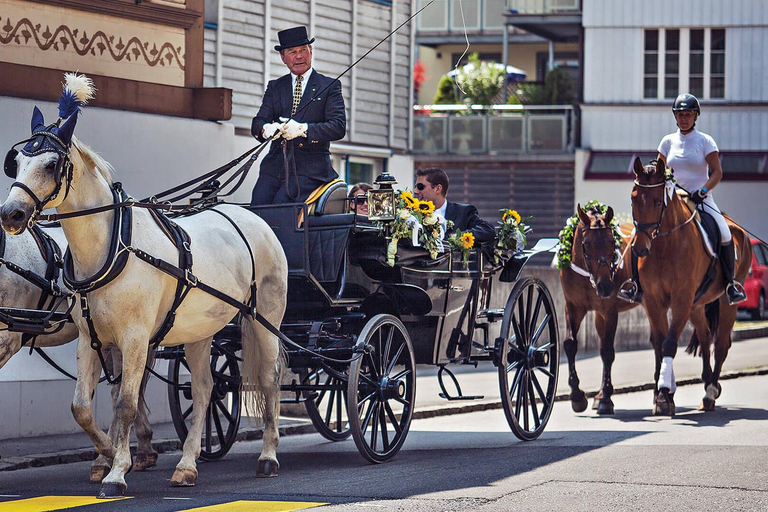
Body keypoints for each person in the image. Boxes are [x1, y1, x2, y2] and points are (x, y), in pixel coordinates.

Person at [620, 93, 746, 305]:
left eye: (688, 114)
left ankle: (730, 284)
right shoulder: (667, 142)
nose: (684, 118)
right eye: (680, 115)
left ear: (695, 116)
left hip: (700, 198)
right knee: (637, 232)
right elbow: (659, 171)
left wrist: (704, 190)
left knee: (724, 232)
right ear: (675, 117)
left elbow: (717, 172)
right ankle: (634, 283)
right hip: (673, 197)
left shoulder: (705, 141)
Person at [250, 26, 346, 205]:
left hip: (310, 169)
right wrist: (266, 129)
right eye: (292, 52)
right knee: (258, 203)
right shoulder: (275, 86)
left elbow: (338, 127)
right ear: (283, 57)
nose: (299, 56)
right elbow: (258, 122)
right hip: (275, 166)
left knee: (281, 206)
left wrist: (303, 129)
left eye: (303, 50)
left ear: (311, 51)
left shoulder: (330, 86)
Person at [412, 168, 495, 245]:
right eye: (415, 187)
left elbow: (488, 229)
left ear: (437, 189)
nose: (415, 191)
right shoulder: (412, 214)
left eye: (420, 187)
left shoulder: (463, 212)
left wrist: (457, 237)